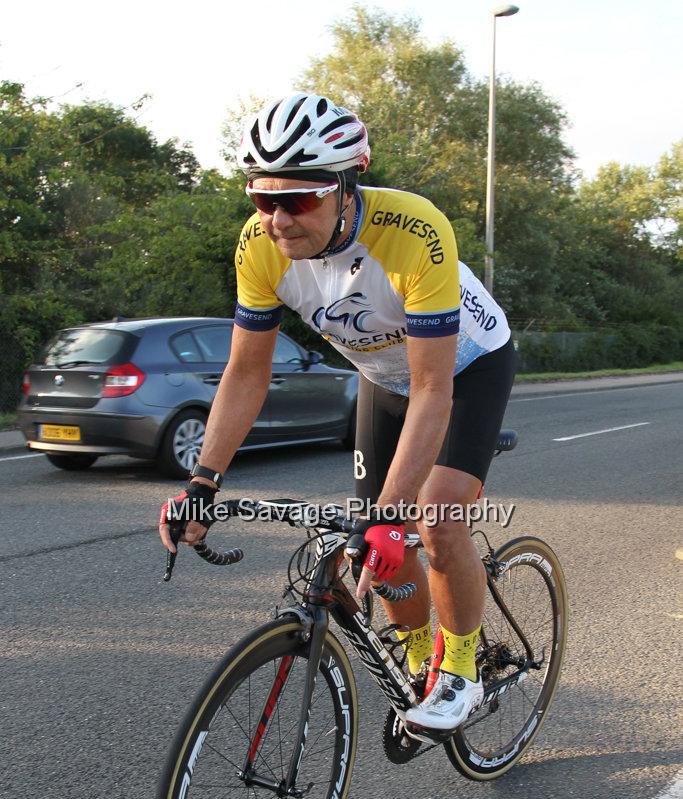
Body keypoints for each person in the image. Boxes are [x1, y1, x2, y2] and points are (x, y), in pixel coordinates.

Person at [159, 92, 516, 736]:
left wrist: (394, 512)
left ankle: (461, 670)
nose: (278, 220)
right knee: (378, 551)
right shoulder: (259, 246)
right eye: (263, 199)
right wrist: (202, 481)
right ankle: (414, 657)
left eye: (296, 200)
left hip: (465, 370)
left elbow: (433, 388)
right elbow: (246, 372)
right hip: (381, 377)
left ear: (346, 186)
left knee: (431, 519)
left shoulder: (415, 231)